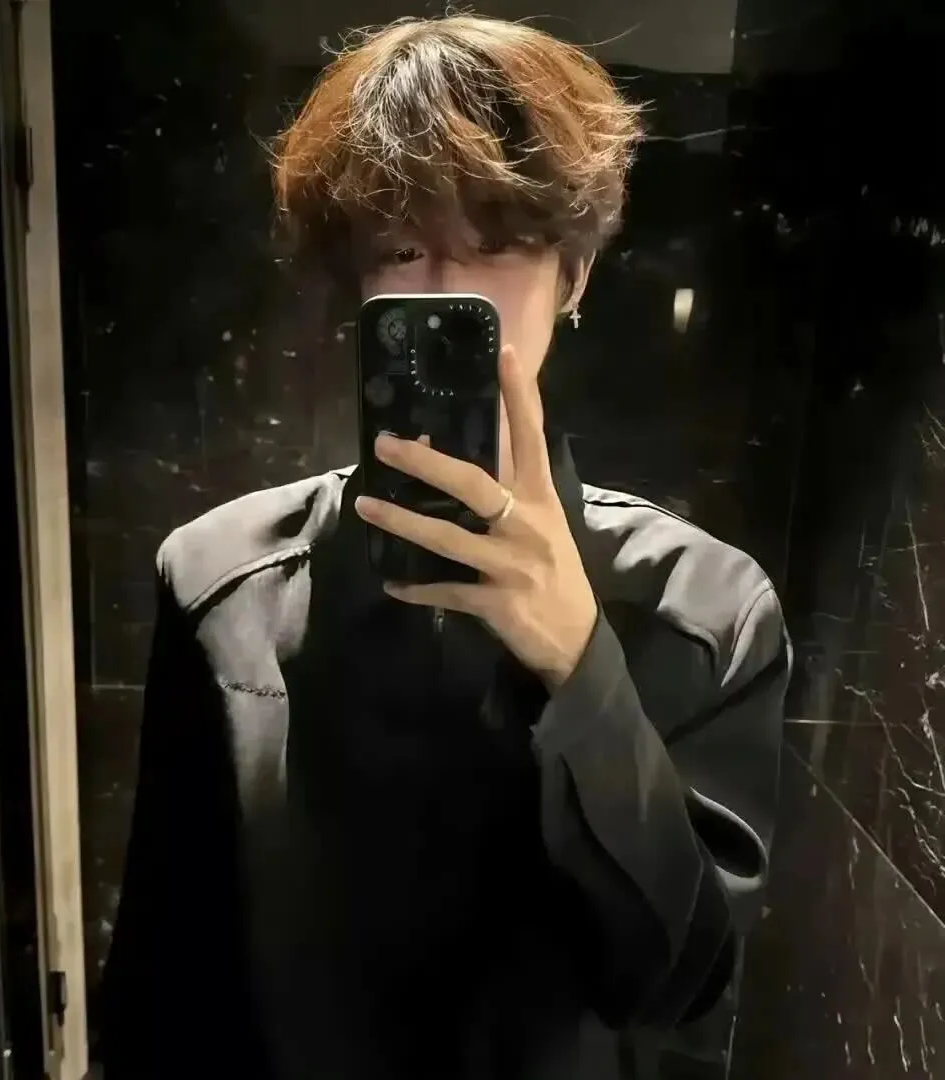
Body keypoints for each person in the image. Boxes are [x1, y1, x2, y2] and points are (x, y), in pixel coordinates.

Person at [98, 14, 791, 1080]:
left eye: (499, 242)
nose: (443, 291)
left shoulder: (705, 607)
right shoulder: (219, 581)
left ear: (574, 276)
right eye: (402, 249)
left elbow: (680, 986)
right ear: (358, 285)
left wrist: (582, 667)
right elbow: (164, 979)